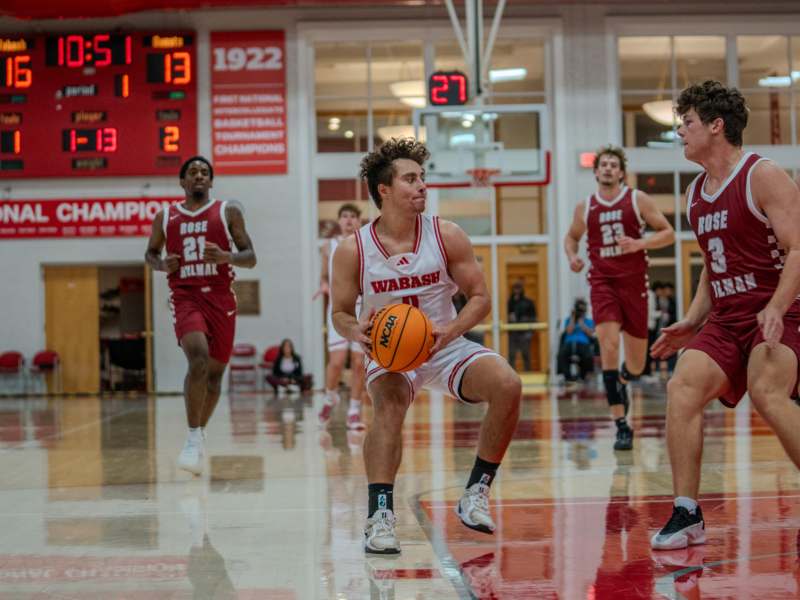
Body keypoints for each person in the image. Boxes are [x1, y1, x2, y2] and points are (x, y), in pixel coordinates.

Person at [330, 138, 522, 555]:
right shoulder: (353, 249)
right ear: (384, 189)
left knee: (507, 384)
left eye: (422, 178)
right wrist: (355, 330)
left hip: (443, 343)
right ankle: (380, 515)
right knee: (390, 404)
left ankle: (475, 493)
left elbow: (481, 297)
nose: (422, 186)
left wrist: (451, 331)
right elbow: (340, 313)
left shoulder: (446, 235)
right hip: (390, 350)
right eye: (411, 179)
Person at [650, 81, 800, 550]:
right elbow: (712, 268)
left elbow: (798, 248)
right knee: (682, 386)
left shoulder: (763, 175)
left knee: (767, 390)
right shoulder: (697, 192)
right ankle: (687, 513)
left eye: (688, 122)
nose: (680, 131)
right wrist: (692, 321)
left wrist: (775, 306)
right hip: (728, 318)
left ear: (716, 126)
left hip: (782, 308)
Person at [145, 156, 256, 476]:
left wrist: (227, 256)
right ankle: (192, 438)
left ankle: (200, 431)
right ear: (182, 182)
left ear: (210, 181)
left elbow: (251, 256)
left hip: (221, 299)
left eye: (204, 173)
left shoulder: (227, 212)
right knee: (198, 359)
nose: (198, 176)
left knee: (215, 376)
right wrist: (161, 264)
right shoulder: (165, 216)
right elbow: (150, 253)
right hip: (185, 297)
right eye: (192, 172)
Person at [564, 145, 675, 450]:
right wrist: (572, 256)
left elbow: (668, 233)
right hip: (603, 283)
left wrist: (638, 243)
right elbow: (571, 237)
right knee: (609, 345)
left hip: (634, 284)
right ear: (596, 171)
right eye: (604, 165)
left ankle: (625, 380)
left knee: (637, 365)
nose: (609, 169)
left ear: (621, 172)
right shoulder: (585, 207)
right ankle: (621, 425)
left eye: (614, 164)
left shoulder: (637, 199)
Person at [315, 203, 367, 430]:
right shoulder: (329, 245)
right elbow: (324, 276)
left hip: (362, 308)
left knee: (358, 363)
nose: (348, 220)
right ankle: (330, 396)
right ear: (339, 221)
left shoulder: (366, 243)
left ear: (358, 221)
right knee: (336, 363)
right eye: (344, 216)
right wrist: (324, 286)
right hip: (338, 307)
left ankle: (354, 411)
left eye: (353, 216)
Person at [557, 298, 596, 382]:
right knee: (562, 355)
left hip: (583, 343)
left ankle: (583, 375)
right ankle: (567, 376)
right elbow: (569, 331)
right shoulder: (569, 320)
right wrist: (573, 318)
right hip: (569, 343)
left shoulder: (589, 321)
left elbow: (590, 333)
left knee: (587, 356)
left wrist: (582, 323)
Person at [507, 281, 537, 371]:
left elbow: (534, 318)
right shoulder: (510, 302)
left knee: (526, 354)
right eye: (515, 288)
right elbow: (506, 316)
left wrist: (530, 332)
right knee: (512, 355)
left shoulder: (528, 302)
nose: (516, 291)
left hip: (524, 332)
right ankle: (511, 374)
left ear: (522, 289)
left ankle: (528, 373)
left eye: (518, 288)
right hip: (512, 332)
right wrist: (510, 318)